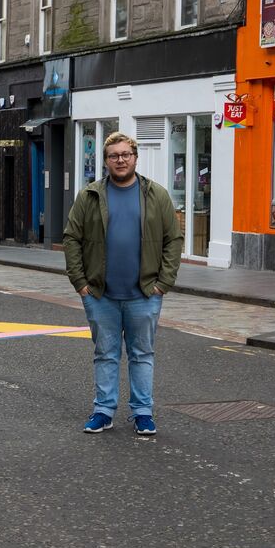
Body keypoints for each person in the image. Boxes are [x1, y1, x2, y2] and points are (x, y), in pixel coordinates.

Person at [63, 132, 182, 436]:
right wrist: (81, 284)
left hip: (144, 293)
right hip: (101, 294)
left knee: (142, 354)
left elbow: (173, 240)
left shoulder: (157, 195)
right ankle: (104, 410)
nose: (120, 160)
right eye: (114, 155)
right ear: (105, 161)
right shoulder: (90, 195)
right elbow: (71, 238)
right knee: (106, 354)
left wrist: (162, 283)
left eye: (125, 154)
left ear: (135, 157)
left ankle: (143, 412)